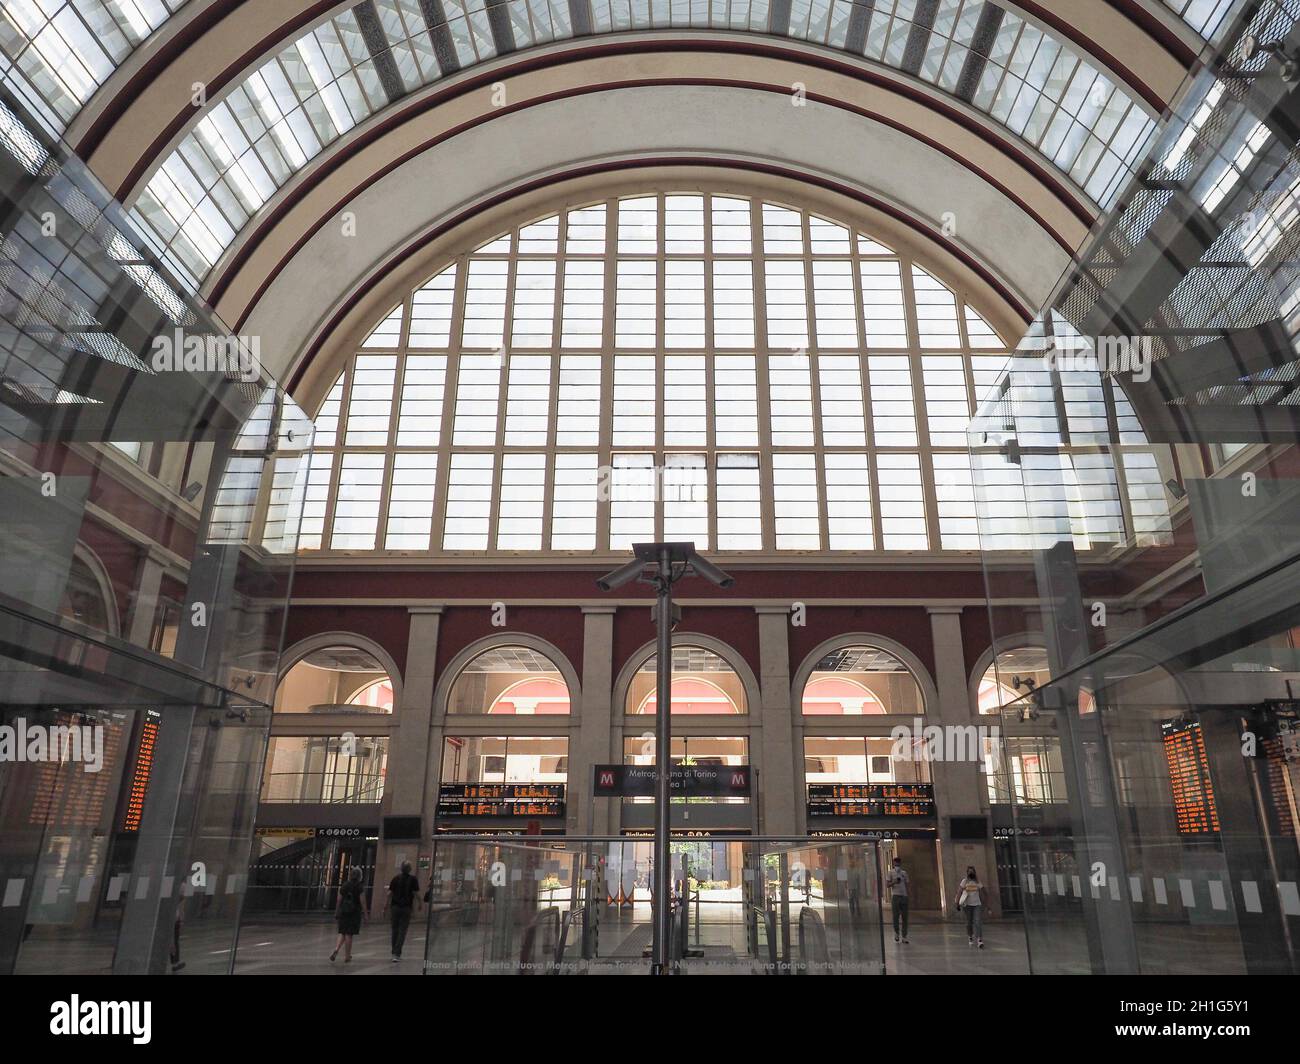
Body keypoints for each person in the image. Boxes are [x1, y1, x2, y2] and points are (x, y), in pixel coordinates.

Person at [383, 861, 422, 962]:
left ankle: (394, 952)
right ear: (410, 869)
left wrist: (385, 906)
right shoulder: (413, 879)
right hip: (406, 908)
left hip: (395, 907)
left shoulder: (395, 878)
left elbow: (389, 894)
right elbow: (416, 893)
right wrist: (420, 903)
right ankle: (397, 953)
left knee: (395, 930)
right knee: (402, 931)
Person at [331, 866, 368, 963]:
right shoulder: (359, 887)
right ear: (360, 876)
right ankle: (347, 956)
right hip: (354, 912)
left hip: (344, 911)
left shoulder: (345, 885)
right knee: (349, 934)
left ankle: (336, 949)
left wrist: (336, 911)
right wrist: (366, 914)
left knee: (342, 932)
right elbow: (363, 901)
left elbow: (338, 900)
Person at [955, 865, 988, 948]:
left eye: (972, 871)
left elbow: (984, 891)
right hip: (967, 905)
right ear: (967, 873)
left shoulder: (977, 882)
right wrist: (957, 903)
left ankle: (979, 940)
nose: (971, 873)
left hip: (977, 904)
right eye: (969, 871)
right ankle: (970, 936)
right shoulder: (964, 881)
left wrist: (986, 902)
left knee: (977, 922)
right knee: (969, 922)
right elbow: (959, 892)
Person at [886, 857, 910, 943]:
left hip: (904, 896)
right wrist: (894, 882)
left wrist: (907, 895)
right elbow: (887, 885)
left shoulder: (904, 873)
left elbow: (907, 884)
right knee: (895, 916)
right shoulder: (890, 873)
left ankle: (904, 936)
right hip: (895, 896)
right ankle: (896, 933)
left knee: (905, 917)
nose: (897, 865)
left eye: (898, 864)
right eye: (896, 864)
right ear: (893, 864)